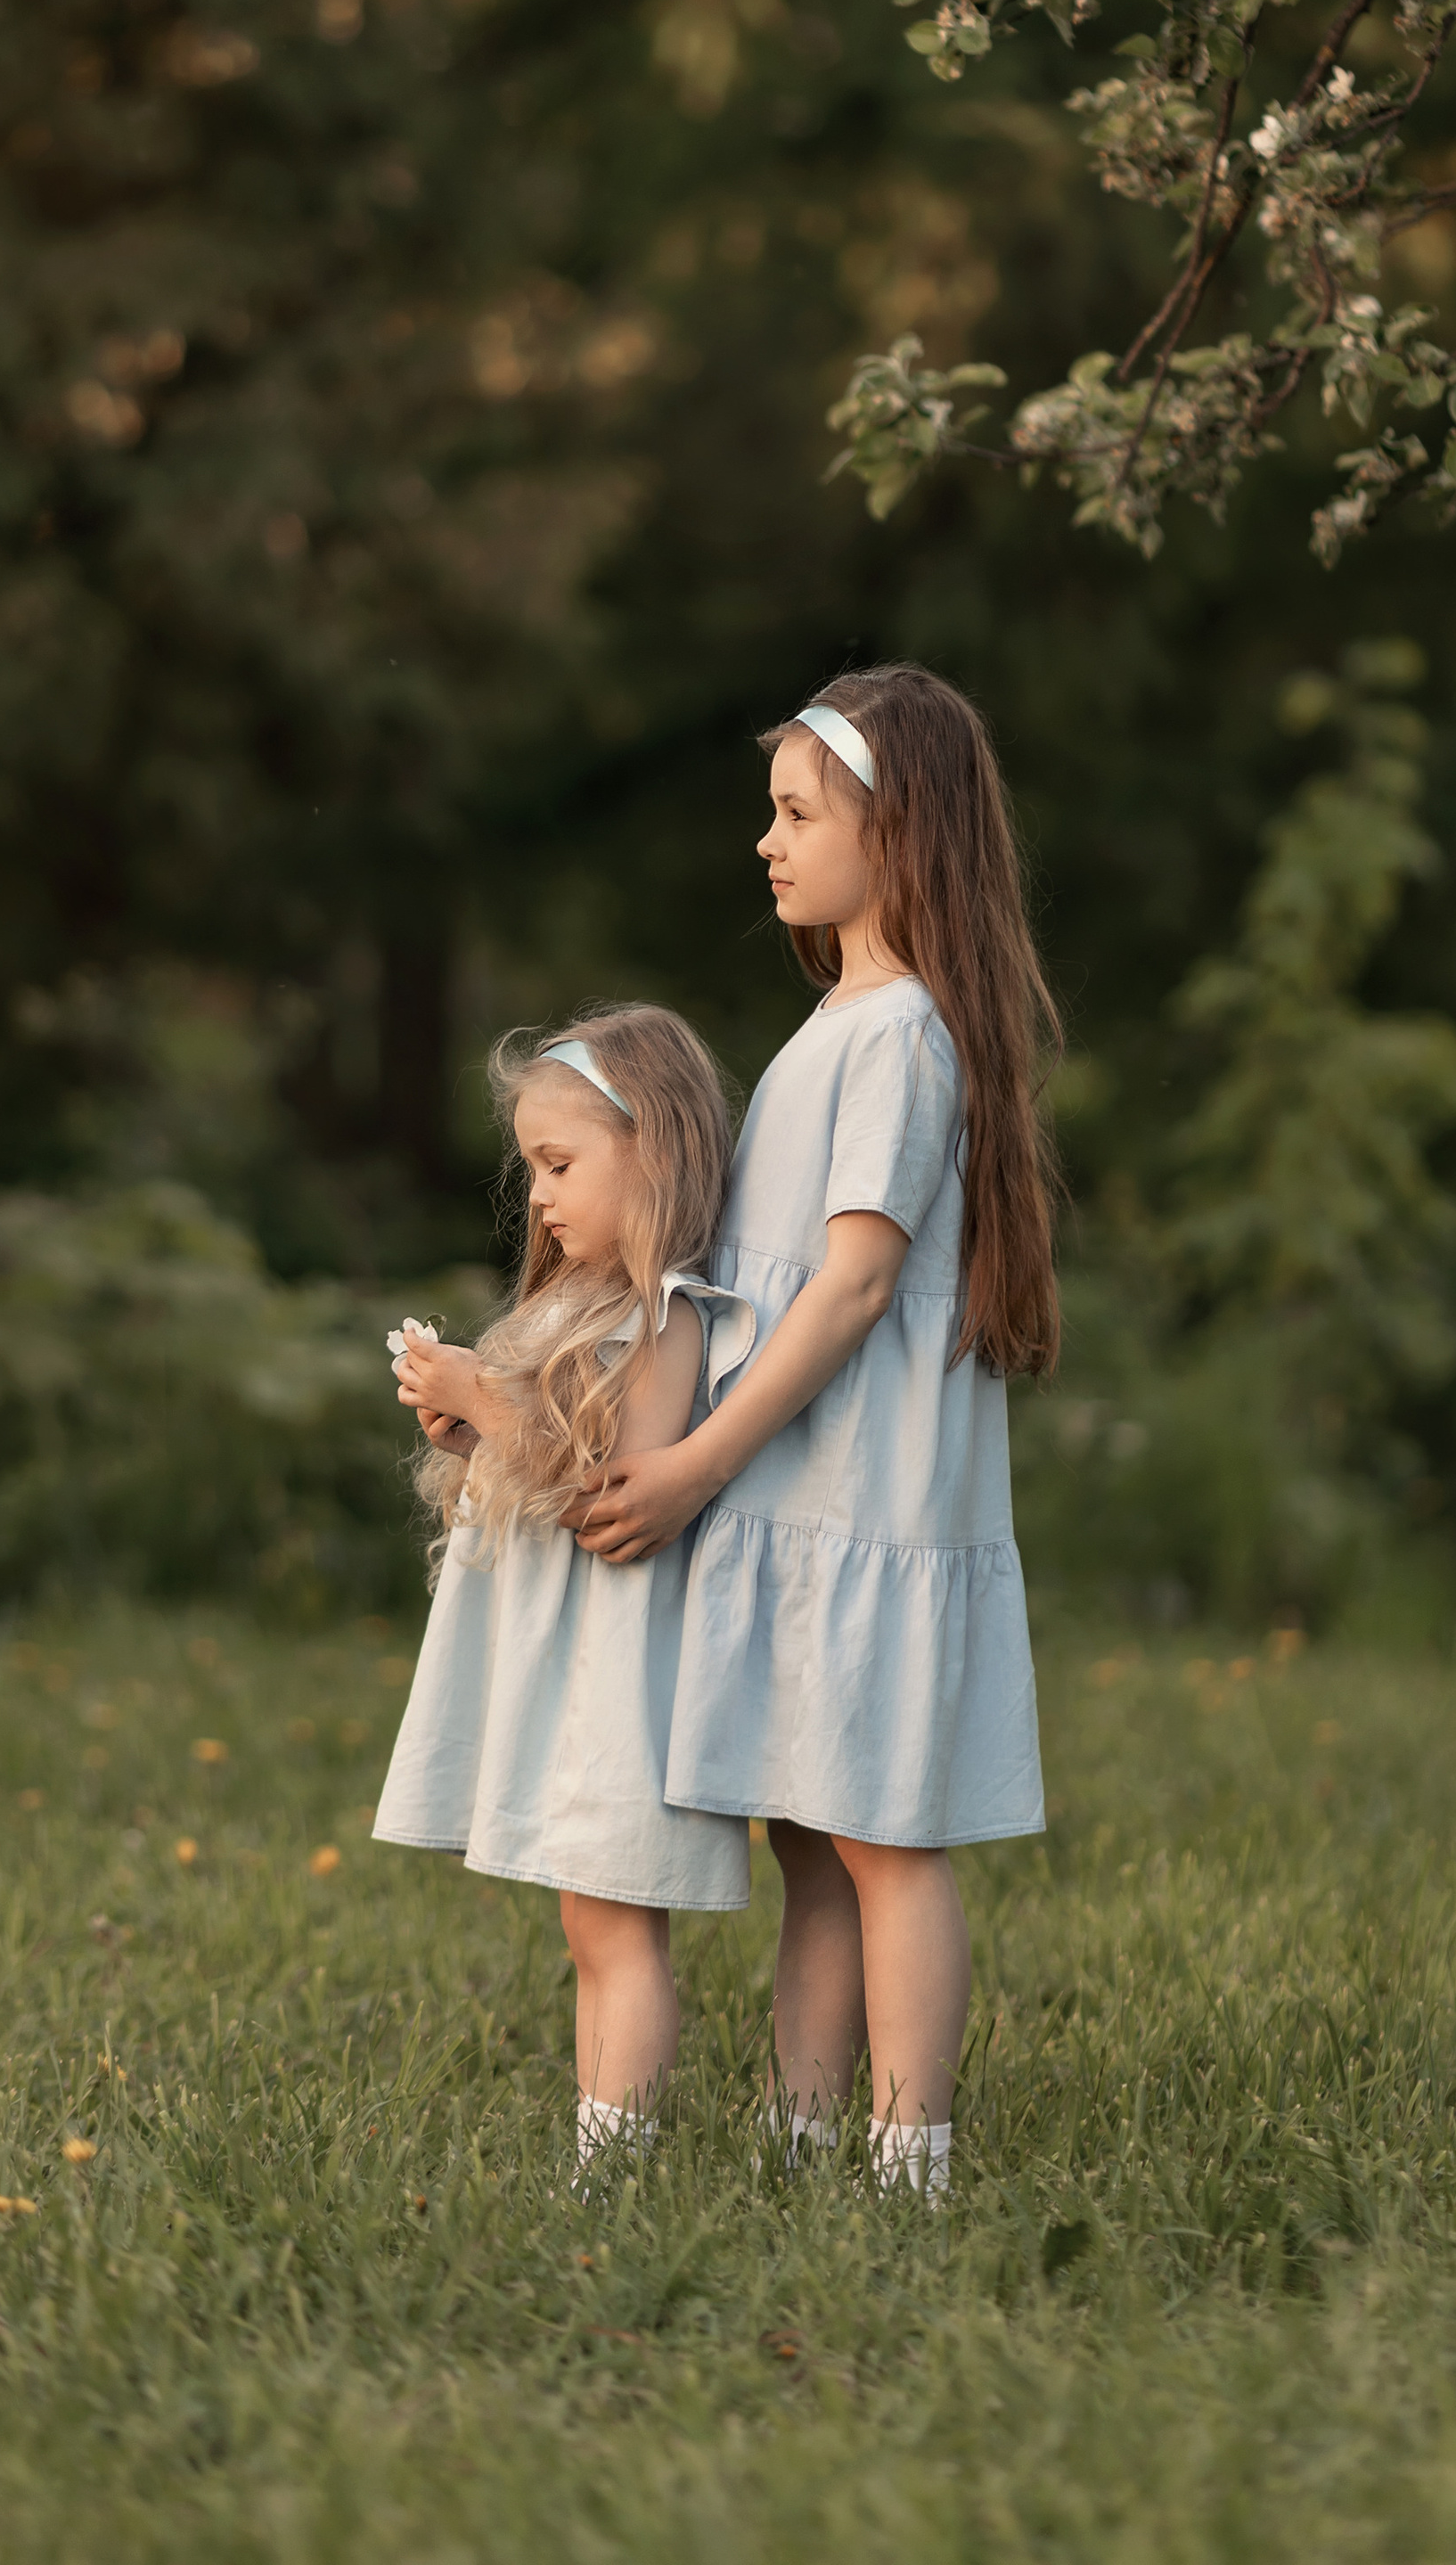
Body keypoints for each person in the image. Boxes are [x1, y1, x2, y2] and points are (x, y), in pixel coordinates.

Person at [575, 665, 1059, 2200]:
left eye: (797, 815)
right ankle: (801, 2141)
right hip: (809, 1496)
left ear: (894, 833)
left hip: (865, 1502)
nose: (767, 843)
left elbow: (851, 1285)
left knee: (887, 1840)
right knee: (815, 1834)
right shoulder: (844, 1022)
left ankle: (910, 2165)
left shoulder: (902, 1035)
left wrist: (699, 1462)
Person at [372, 1004, 756, 2173]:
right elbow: (537, 1465)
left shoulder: (666, 1317)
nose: (537, 1195)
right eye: (531, 1168)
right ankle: (606, 2154)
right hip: (573, 1670)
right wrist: (464, 1424)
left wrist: (486, 1399)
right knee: (588, 1923)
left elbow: (607, 1490)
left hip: (621, 1680)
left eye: (559, 1164)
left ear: (656, 1152)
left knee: (614, 1923)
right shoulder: (570, 1305)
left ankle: (617, 2170)